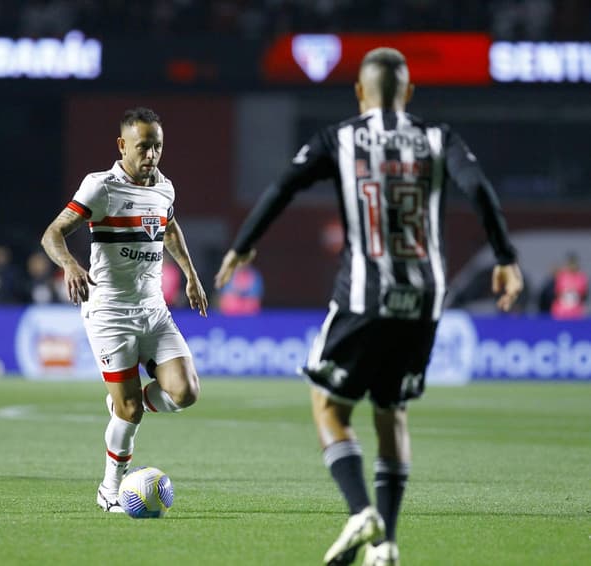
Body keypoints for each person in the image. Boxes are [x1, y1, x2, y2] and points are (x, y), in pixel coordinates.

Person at [215, 48, 523, 566]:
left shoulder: (340, 138)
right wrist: (506, 258)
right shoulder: (438, 137)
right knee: (391, 413)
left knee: (327, 405)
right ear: (410, 93)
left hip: (364, 293)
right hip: (426, 300)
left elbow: (282, 187)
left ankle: (360, 510)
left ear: (359, 91)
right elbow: (480, 191)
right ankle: (386, 546)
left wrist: (244, 245)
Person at [41, 107, 208, 512]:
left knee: (186, 393)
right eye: (143, 147)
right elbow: (53, 233)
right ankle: (109, 488)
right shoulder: (101, 187)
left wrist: (190, 274)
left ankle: (122, 401)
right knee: (130, 410)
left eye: (157, 147)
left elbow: (168, 227)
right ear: (122, 145)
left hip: (153, 311)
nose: (151, 155)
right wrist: (69, 264)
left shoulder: (164, 188)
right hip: (110, 314)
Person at [550, 252, 588, 319]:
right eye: (570, 263)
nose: (572, 266)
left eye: (573, 263)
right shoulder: (561, 276)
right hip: (561, 310)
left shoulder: (581, 277)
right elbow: (556, 293)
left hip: (577, 310)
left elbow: (584, 295)